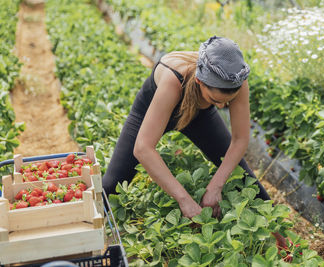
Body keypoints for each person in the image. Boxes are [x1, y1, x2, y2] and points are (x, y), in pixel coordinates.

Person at [103, 36, 271, 218]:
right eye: (216, 101)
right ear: (200, 81)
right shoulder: (174, 79)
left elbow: (240, 140)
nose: (222, 107)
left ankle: (282, 238)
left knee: (244, 176)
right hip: (153, 110)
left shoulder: (236, 80)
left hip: (200, 115)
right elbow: (143, 148)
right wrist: (185, 200)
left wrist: (216, 186)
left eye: (227, 102)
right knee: (110, 187)